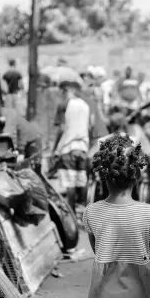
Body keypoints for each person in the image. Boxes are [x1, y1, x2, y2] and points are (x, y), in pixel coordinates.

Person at [83, 133, 150, 298]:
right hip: (139, 292)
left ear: (103, 176)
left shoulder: (91, 212)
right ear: (137, 175)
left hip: (102, 293)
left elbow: (99, 250)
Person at [52, 81, 91, 213]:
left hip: (68, 148)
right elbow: (89, 126)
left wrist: (55, 149)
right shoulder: (85, 105)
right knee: (81, 180)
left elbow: (62, 129)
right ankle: (84, 211)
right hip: (83, 147)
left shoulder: (65, 104)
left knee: (70, 184)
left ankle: (72, 213)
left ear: (64, 91)